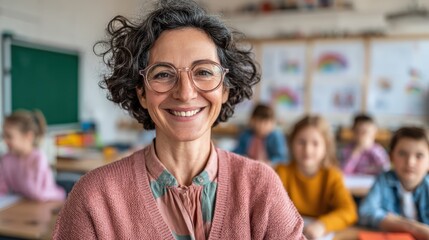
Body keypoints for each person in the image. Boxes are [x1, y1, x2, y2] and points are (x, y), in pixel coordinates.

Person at [53, 0, 305, 239]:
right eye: (163, 74)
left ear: (225, 89)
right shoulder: (94, 197)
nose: (185, 93)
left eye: (204, 72)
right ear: (141, 92)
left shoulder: (261, 187)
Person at [276, 115, 357, 239]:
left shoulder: (332, 176)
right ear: (291, 143)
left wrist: (322, 225)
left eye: (315, 143)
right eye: (301, 142)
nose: (307, 150)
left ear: (326, 146)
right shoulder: (280, 173)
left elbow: (349, 211)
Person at [358, 126, 429, 240]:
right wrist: (413, 228)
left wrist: (392, 221)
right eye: (402, 154)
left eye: (419, 155)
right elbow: (365, 212)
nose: (410, 162)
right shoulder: (383, 180)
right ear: (391, 157)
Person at [0, 110, 66, 201]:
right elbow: (2, 189)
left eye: (9, 136)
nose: (5, 141)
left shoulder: (38, 158)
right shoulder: (6, 159)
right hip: (24, 204)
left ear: (28, 136)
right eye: (3, 136)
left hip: (50, 201)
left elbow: (36, 192)